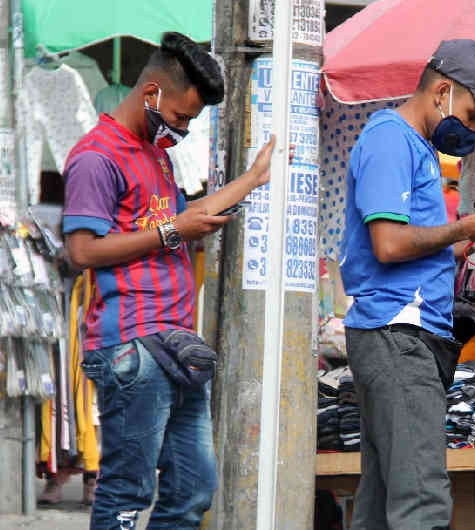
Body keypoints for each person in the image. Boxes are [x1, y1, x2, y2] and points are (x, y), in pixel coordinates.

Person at [62, 32, 281, 529]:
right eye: (180, 117)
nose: (181, 129)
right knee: (127, 490)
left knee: (193, 487)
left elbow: (184, 217)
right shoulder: (96, 157)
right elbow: (82, 251)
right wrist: (170, 232)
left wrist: (250, 180)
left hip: (174, 345)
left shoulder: (155, 153)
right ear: (151, 93)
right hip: (130, 346)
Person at [339, 39, 475, 529]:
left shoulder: (411, 145)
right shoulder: (390, 140)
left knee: (382, 501)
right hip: (398, 337)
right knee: (421, 500)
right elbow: (388, 245)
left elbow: (406, 248)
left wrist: (467, 244)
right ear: (442, 91)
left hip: (401, 338)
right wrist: (463, 228)